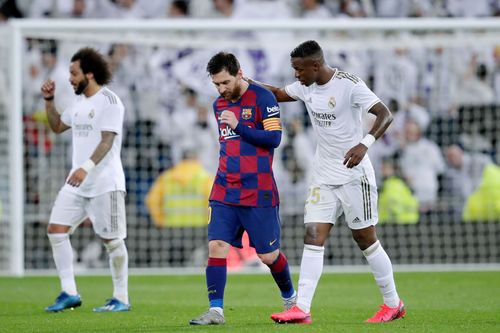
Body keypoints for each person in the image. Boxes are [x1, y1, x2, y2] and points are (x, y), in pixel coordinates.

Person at [247, 40, 405, 324]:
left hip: (354, 174)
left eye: (298, 69)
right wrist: (245, 82)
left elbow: (385, 114)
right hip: (323, 175)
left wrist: (364, 143)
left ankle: (393, 303)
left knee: (366, 240)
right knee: (313, 235)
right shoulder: (306, 87)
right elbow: (278, 93)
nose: (296, 75)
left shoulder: (349, 84)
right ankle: (301, 308)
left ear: (315, 66)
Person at [189, 52, 296, 325]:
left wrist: (240, 126)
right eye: (216, 85)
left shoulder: (263, 99)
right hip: (225, 188)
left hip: (258, 190)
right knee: (216, 245)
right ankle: (216, 311)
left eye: (225, 82)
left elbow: (274, 139)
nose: (221, 89)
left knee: (267, 255)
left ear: (239, 73)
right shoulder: (218, 105)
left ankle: (291, 299)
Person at [41, 47, 130, 313]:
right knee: (56, 230)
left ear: (89, 74)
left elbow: (107, 140)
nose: (69, 78)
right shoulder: (79, 104)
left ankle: (121, 298)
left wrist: (87, 167)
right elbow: (57, 127)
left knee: (112, 242)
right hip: (77, 184)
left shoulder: (110, 102)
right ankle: (69, 292)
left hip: (105, 183)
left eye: (73, 72)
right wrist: (49, 100)